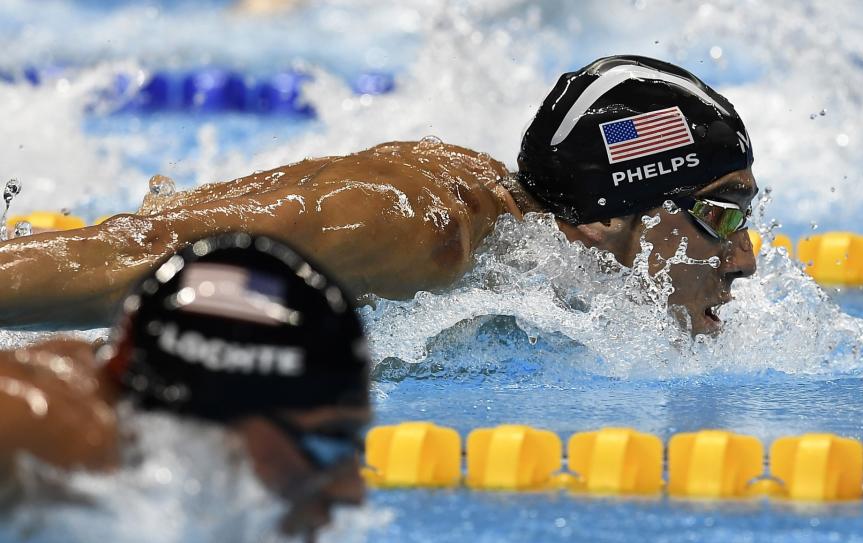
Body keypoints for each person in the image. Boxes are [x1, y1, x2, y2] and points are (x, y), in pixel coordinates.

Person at [0, 55, 757, 336]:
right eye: (721, 214)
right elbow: (141, 255)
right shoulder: (416, 228)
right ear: (607, 219)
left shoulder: (521, 260)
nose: (746, 259)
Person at [0, 233, 370, 543]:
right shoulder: (39, 434)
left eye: (357, 445)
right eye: (330, 444)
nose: (353, 489)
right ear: (219, 414)